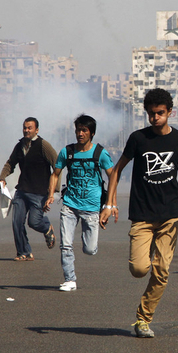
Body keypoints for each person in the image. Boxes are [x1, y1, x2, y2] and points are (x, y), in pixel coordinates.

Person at [99, 88, 178, 339]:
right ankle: (148, 255)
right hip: (142, 215)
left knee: (161, 270)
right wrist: (110, 205)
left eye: (160, 113)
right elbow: (117, 171)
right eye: (151, 114)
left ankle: (143, 319)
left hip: (169, 215)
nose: (155, 118)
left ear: (170, 112)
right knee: (140, 269)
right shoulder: (137, 139)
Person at [44, 114, 115, 292]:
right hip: (70, 205)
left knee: (90, 249)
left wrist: (110, 205)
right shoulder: (67, 152)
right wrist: (51, 195)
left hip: (91, 208)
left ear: (91, 133)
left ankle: (88, 246)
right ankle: (70, 280)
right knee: (66, 244)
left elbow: (113, 176)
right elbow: (55, 173)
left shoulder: (100, 153)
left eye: (84, 130)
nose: (80, 133)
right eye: (78, 130)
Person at [0, 117, 58, 261]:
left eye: (30, 128)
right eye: (25, 128)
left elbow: (57, 165)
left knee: (34, 222)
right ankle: (24, 252)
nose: (26, 130)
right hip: (22, 191)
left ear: (36, 130)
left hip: (39, 192)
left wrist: (52, 192)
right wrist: (2, 178)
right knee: (16, 222)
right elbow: (10, 163)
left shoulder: (43, 145)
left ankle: (47, 228)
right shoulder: (19, 146)